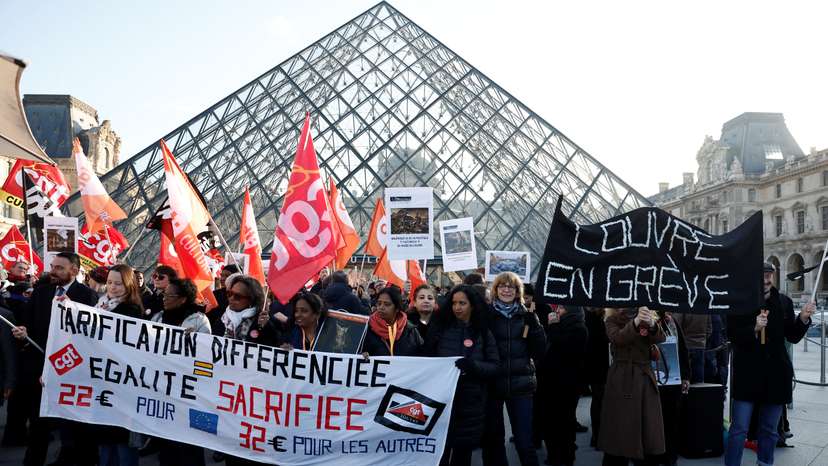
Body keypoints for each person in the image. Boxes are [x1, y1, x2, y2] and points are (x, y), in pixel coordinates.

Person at [12, 252, 99, 466]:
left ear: (75, 271)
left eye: (60, 267)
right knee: (37, 423)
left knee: (70, 426)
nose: (53, 270)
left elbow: (90, 335)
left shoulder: (87, 296)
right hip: (39, 369)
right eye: (53, 266)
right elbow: (28, 323)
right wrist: (24, 333)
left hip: (71, 370)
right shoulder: (42, 292)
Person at [724, 262, 812, 466]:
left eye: (769, 275)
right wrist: (753, 328)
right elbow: (732, 335)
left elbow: (793, 335)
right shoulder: (740, 303)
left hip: (775, 374)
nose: (766, 279)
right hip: (748, 373)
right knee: (739, 429)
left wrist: (803, 319)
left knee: (770, 430)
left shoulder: (784, 302)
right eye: (762, 275)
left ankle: (765, 463)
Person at [423, 285, 499, 466]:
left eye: (462, 303)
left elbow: (495, 367)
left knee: (462, 455)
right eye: (454, 303)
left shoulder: (483, 333)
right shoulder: (440, 330)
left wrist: (474, 367)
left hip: (471, 402)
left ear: (472, 305)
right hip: (443, 401)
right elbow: (427, 361)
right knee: (440, 452)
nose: (457, 307)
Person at [482, 272, 545, 466]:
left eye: (512, 287)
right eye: (502, 286)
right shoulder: (486, 316)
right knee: (493, 442)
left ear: (518, 292)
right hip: (493, 384)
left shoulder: (527, 316)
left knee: (525, 442)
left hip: (521, 385)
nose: (507, 289)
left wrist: (535, 327)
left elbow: (540, 350)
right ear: (496, 289)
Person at [150, 278, 209, 466]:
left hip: (188, 390)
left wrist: (194, 343)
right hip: (164, 387)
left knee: (189, 445)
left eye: (169, 295)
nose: (164, 298)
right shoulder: (158, 317)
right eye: (163, 294)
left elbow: (206, 357)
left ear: (183, 299)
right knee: (167, 444)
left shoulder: (199, 321)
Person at [598, 307, 666, 466]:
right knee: (618, 433)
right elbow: (617, 338)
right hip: (622, 379)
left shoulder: (648, 316)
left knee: (647, 433)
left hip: (644, 379)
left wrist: (652, 324)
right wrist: (635, 322)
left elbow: (661, 338)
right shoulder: (611, 319)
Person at [95, 265, 144, 466]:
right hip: (102, 375)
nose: (112, 287)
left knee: (121, 437)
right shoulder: (101, 304)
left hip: (122, 379)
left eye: (118, 283)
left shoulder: (131, 310)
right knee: (106, 437)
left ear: (129, 284)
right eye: (109, 282)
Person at [538, 305, 588, 466]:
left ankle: (565, 456)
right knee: (550, 422)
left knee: (563, 422)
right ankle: (554, 454)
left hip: (566, 385)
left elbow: (562, 347)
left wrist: (553, 326)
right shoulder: (562, 325)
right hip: (550, 383)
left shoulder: (578, 328)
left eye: (561, 308)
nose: (557, 311)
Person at [654, 311, 690, 466]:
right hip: (653, 380)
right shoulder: (646, 322)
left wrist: (686, 376)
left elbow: (682, 349)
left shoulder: (673, 323)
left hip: (672, 380)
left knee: (672, 420)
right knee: (654, 420)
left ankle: (670, 456)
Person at [362, 286, 423, 356]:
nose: (381, 307)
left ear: (397, 308)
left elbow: (422, 356)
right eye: (379, 303)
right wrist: (362, 354)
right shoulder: (367, 328)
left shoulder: (410, 331)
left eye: (387, 304)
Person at [584, 307, 610, 449]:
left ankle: (598, 436)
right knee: (600, 400)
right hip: (600, 365)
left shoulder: (590, 316)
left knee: (598, 400)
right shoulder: (596, 318)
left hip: (597, 365)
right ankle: (599, 437)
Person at [671, 311, 711, 384]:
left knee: (684, 380)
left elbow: (676, 326)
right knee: (698, 381)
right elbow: (709, 329)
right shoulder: (704, 307)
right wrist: (702, 340)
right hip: (700, 346)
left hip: (685, 346)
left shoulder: (683, 307)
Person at [222, 274, 264, 341]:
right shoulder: (222, 319)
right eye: (229, 294)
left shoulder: (261, 323)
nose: (231, 298)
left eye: (238, 296)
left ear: (251, 300)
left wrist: (262, 327)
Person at [211, 264, 240, 335]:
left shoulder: (244, 297)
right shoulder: (215, 294)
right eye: (221, 275)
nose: (222, 278)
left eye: (227, 276)